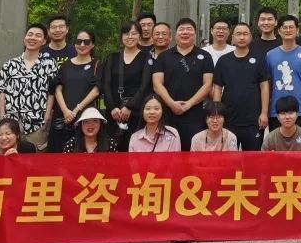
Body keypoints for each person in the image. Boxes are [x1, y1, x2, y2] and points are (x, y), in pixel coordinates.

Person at [152, 17, 215, 150]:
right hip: (168, 114)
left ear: (195, 34)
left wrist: (188, 105)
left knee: (193, 153)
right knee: (168, 152)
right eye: (181, 29)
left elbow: (208, 85)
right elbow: (157, 84)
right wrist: (171, 103)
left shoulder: (205, 56)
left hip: (195, 115)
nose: (185, 32)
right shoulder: (164, 57)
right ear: (175, 34)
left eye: (189, 29)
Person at [0, 23, 57, 143]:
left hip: (37, 123)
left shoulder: (49, 64)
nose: (33, 38)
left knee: (36, 154)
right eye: (30, 34)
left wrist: (47, 116)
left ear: (44, 41)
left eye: (38, 35)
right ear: (24, 37)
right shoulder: (10, 64)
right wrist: (2, 118)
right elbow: (2, 92)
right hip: (11, 124)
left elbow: (51, 92)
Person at [212, 21, 270, 151]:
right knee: (228, 158)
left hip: (253, 120)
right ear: (232, 37)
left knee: (253, 158)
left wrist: (264, 113)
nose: (242, 37)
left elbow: (264, 87)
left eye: (245, 34)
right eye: (238, 34)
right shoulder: (224, 61)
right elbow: (217, 88)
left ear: (250, 37)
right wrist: (217, 114)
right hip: (229, 119)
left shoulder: (259, 59)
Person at [101, 21, 153, 150]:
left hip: (136, 113)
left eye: (134, 33)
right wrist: (112, 107)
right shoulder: (112, 58)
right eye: (126, 33)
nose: (130, 37)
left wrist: (129, 107)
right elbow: (106, 84)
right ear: (121, 36)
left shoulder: (146, 57)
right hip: (114, 113)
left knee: (135, 149)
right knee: (112, 148)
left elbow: (145, 85)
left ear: (139, 36)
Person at [47, 29, 100, 152]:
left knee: (79, 155)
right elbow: (57, 88)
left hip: (84, 118)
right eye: (79, 41)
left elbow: (96, 91)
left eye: (86, 42)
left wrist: (76, 110)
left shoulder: (97, 65)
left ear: (92, 45)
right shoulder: (66, 65)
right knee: (57, 154)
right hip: (62, 117)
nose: (82, 45)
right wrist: (66, 111)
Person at [266, 14, 301, 132]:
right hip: (276, 111)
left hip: (300, 110)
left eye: (291, 27)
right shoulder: (270, 55)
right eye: (285, 27)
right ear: (279, 31)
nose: (288, 30)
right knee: (277, 142)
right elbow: (267, 85)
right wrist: (265, 111)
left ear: (297, 30)